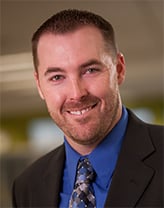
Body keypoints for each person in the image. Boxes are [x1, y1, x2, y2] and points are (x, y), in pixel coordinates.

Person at [12, 9, 163, 208]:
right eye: (57, 77)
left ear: (119, 69)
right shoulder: (27, 187)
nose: (76, 93)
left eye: (90, 70)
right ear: (40, 85)